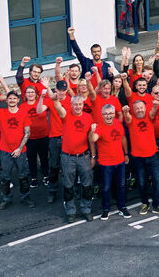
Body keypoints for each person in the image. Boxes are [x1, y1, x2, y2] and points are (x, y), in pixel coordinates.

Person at [52, 92, 97, 222]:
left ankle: (86, 209)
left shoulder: (88, 117)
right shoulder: (66, 115)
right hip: (68, 158)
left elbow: (91, 139)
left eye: (80, 104)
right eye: (75, 104)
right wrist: (55, 101)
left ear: (83, 104)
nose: (78, 107)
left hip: (84, 157)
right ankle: (70, 211)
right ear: (71, 106)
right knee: (68, 186)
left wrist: (93, 156)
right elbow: (59, 109)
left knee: (87, 185)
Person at [124, 100, 159, 216]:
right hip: (138, 158)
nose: (139, 110)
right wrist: (125, 111)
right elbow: (127, 117)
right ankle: (145, 203)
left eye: (141, 107)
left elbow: (154, 112)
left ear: (145, 108)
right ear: (133, 110)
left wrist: (155, 105)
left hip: (152, 156)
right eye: (137, 108)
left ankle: (156, 204)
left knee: (158, 181)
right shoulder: (131, 120)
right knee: (142, 182)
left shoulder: (150, 117)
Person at [90, 104, 130, 220]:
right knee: (106, 187)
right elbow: (93, 139)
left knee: (121, 185)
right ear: (102, 115)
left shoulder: (118, 123)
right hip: (106, 162)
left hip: (120, 160)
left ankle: (122, 207)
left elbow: (123, 138)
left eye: (110, 113)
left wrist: (126, 153)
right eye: (106, 114)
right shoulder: (99, 126)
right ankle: (106, 209)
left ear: (114, 114)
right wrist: (92, 131)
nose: (108, 116)